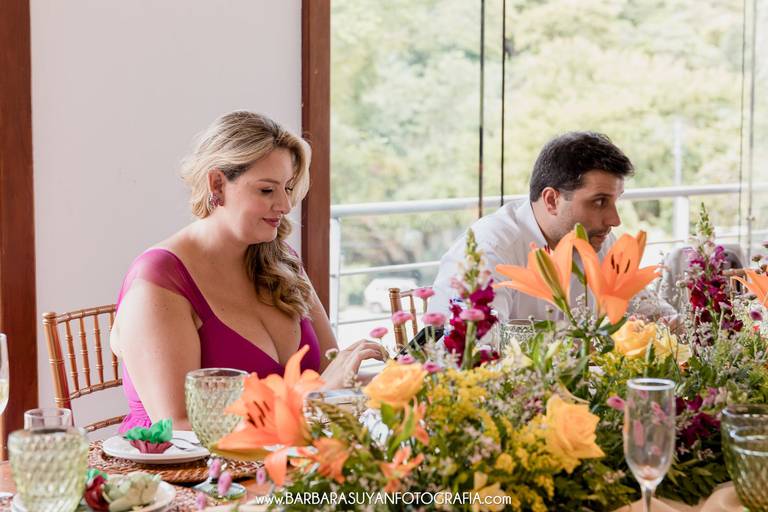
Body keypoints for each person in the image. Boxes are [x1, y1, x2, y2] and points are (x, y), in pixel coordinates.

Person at [110, 111, 385, 432]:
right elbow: (178, 426)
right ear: (217, 184)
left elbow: (329, 375)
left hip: (289, 455)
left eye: (288, 188)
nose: (285, 205)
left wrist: (400, 379)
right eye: (267, 190)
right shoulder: (161, 280)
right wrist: (313, 402)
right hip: (190, 463)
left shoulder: (283, 261)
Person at [429, 131, 676, 322]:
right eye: (599, 202)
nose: (615, 220)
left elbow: (652, 312)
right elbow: (473, 352)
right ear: (551, 200)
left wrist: (671, 326)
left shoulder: (599, 242)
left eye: (615, 201)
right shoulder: (490, 250)